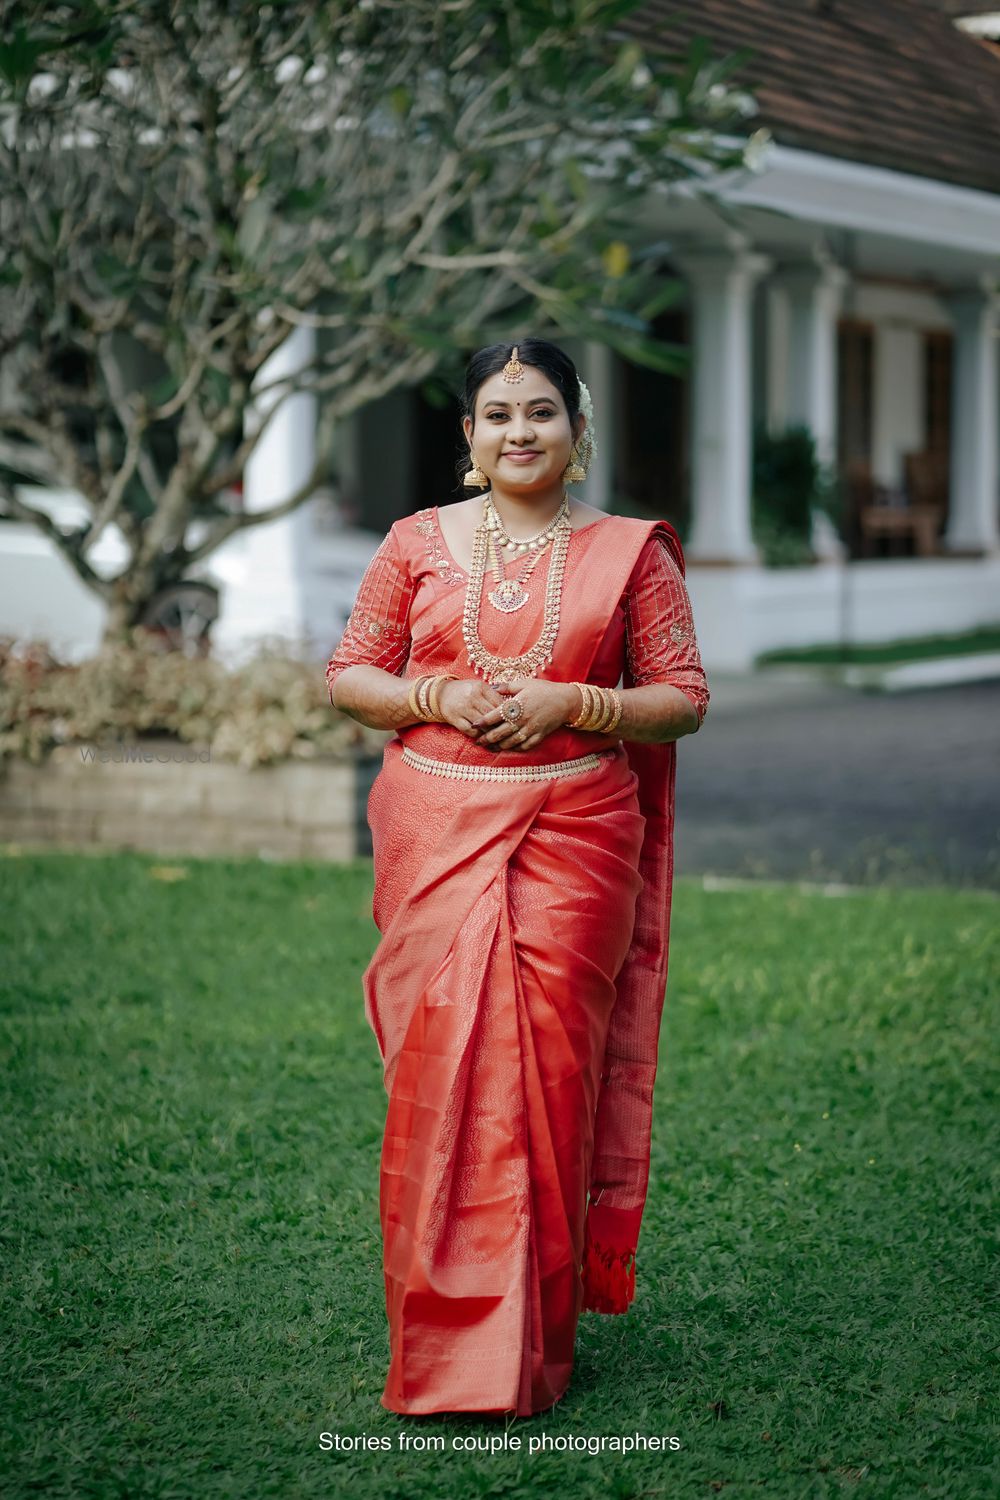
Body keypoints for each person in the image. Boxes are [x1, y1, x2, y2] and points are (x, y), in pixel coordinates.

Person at [325, 337, 709, 1419]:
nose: (520, 432)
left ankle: (527, 1353)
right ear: (468, 437)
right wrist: (437, 699)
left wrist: (574, 704)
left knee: (544, 1083)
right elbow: (351, 672)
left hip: (575, 832)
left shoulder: (631, 554)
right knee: (439, 1076)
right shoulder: (414, 543)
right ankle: (439, 1347)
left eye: (541, 412)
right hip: (435, 826)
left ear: (577, 431)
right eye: (498, 414)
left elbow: (679, 694)